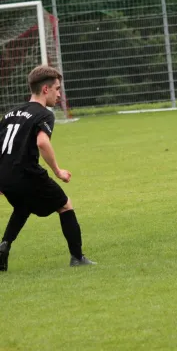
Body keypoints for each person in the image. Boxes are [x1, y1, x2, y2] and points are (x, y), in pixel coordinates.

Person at [0, 65, 95, 272]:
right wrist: (58, 171)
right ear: (45, 89)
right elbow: (43, 142)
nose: (59, 94)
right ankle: (77, 258)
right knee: (65, 205)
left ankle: (3, 247)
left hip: (4, 176)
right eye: (57, 89)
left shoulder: (10, 114)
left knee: (22, 207)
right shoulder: (43, 114)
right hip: (26, 173)